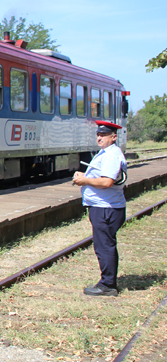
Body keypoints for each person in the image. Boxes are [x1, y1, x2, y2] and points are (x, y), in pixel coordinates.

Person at [72, 120, 127, 297]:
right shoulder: (106, 153)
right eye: (98, 134)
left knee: (104, 246)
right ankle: (107, 281)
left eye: (104, 135)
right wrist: (85, 175)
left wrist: (85, 180)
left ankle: (108, 285)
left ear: (114, 137)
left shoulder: (112, 155)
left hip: (106, 208)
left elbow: (106, 181)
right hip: (103, 206)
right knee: (104, 245)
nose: (100, 137)